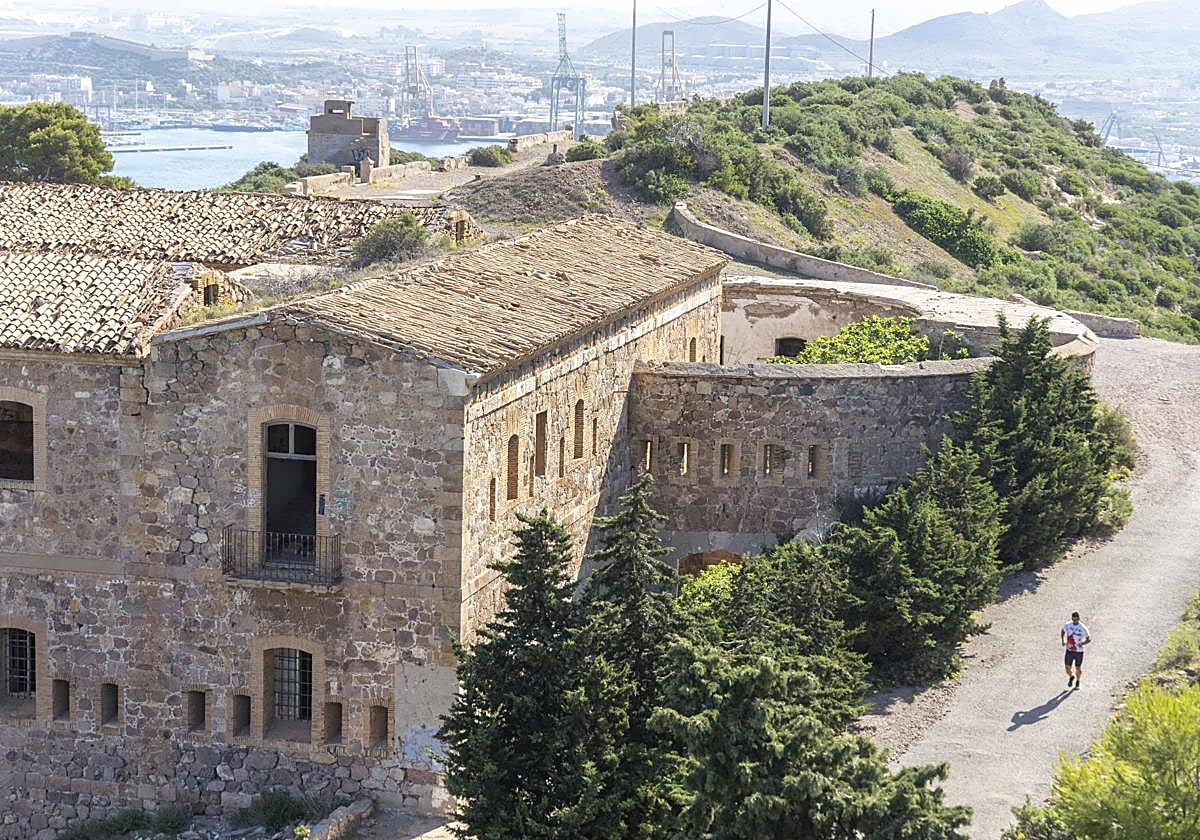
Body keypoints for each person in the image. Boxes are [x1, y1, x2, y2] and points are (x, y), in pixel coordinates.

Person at [1061, 611, 1091, 689]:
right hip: (1069, 650)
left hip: (1079, 651)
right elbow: (1063, 631)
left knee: (1078, 668)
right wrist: (1063, 640)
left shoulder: (1083, 627)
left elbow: (1089, 638)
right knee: (1067, 668)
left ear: (1078, 619)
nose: (1074, 621)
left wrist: (1082, 643)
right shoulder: (1068, 625)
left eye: (1076, 620)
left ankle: (1078, 681)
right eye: (1073, 620)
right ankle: (1071, 676)